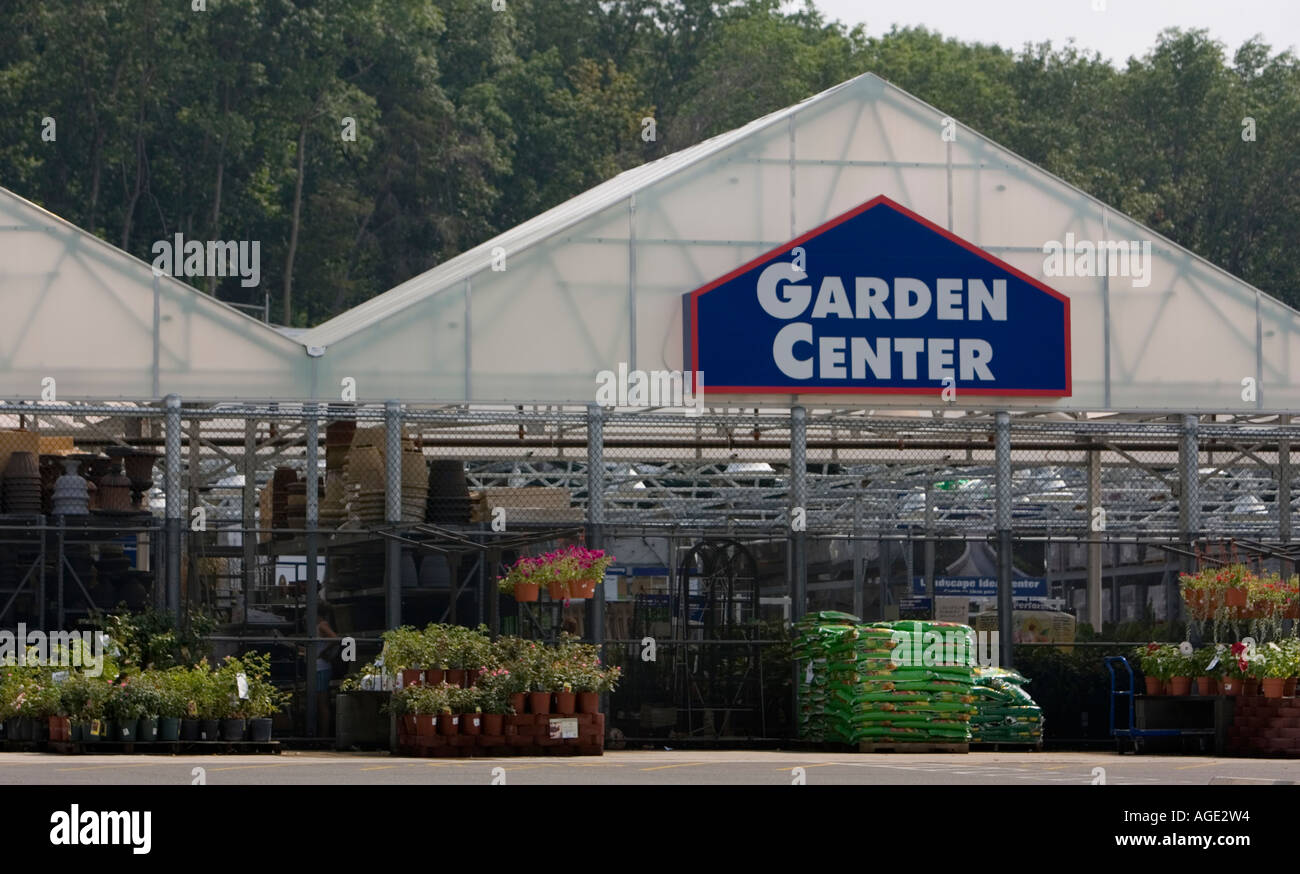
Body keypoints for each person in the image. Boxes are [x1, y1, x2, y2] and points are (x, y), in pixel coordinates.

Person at [315, 602, 340, 738]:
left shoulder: (322, 625)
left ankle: (324, 735)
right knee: (319, 703)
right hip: (317, 666)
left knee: (322, 703)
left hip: (321, 667)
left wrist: (325, 652)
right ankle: (321, 733)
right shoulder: (317, 626)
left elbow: (336, 639)